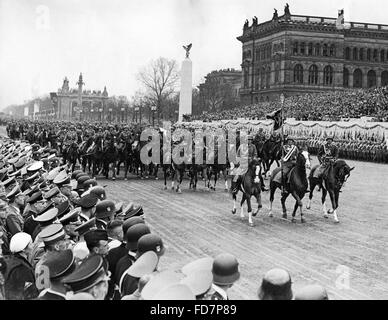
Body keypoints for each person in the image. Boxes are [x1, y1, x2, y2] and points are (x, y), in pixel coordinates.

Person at [3, 232, 39, 300]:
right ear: (24, 249)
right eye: (31, 243)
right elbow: (30, 294)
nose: (33, 245)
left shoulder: (11, 260)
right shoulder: (22, 269)